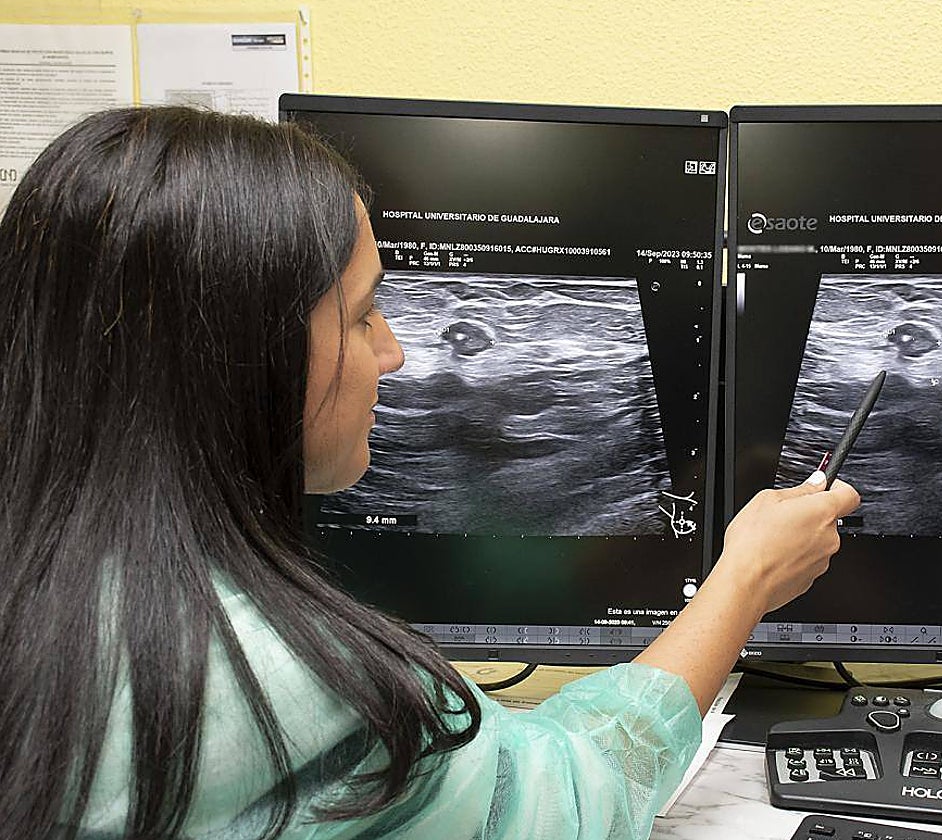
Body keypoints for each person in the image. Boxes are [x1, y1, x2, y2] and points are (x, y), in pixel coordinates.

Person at [0, 106, 860, 839]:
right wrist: (744, 576)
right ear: (234, 357)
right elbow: (575, 799)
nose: (397, 353)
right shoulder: (303, 688)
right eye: (365, 311)